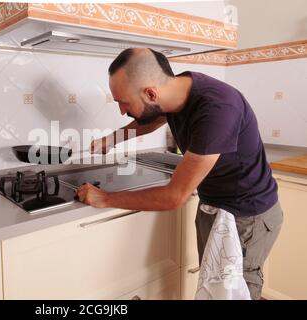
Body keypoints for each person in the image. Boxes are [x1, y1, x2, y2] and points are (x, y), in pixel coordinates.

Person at [75, 48, 283, 300]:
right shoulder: (177, 89)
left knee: (235, 292)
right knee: (212, 287)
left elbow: (173, 197)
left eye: (123, 102)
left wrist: (104, 198)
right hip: (215, 204)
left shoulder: (218, 109)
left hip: (247, 216)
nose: (121, 110)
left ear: (151, 93)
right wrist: (114, 138)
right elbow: (155, 116)